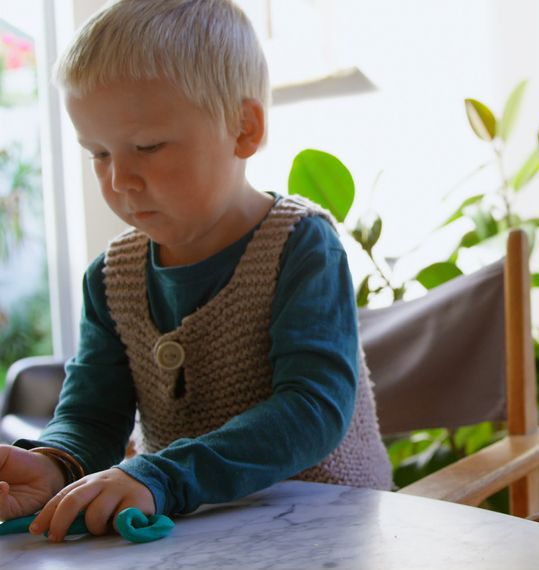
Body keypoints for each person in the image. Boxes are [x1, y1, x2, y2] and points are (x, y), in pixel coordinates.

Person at [0, 0, 391, 541]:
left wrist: (163, 473)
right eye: (98, 153)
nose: (119, 180)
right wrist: (57, 462)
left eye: (147, 146)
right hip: (190, 534)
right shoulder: (110, 281)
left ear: (243, 129)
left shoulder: (301, 247)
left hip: (328, 527)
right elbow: (92, 417)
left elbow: (311, 409)